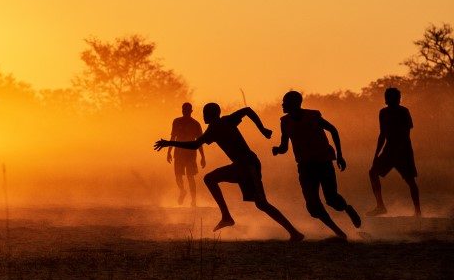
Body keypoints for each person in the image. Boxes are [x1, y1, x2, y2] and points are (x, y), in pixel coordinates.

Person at [155, 103, 304, 241]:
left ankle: (293, 232)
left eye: (205, 113)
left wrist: (169, 143)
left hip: (248, 164)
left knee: (261, 203)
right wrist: (262, 129)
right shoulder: (223, 123)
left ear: (212, 114)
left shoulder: (219, 125)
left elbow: (195, 144)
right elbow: (247, 110)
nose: (203, 115)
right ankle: (227, 217)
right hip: (242, 165)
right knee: (213, 180)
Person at [272, 91, 361, 239]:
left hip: (323, 162)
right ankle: (339, 233)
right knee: (313, 206)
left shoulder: (313, 116)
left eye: (285, 102)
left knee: (332, 199)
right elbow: (284, 146)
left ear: (295, 103)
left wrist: (339, 155)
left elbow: (333, 130)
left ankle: (347, 208)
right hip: (305, 166)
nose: (282, 104)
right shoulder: (285, 122)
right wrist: (278, 150)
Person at [367, 87, 420, 217]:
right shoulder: (383, 112)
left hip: (403, 151)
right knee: (373, 172)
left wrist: (399, 151)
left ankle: (417, 211)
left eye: (395, 97)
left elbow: (406, 133)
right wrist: (376, 155)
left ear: (398, 98)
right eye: (390, 97)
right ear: (387, 99)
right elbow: (382, 134)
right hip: (389, 150)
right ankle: (380, 206)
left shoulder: (404, 111)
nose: (393, 100)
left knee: (410, 180)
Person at [166, 103, 206, 206]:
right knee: (178, 175)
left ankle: (193, 200)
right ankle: (183, 190)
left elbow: (199, 142)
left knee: (190, 177)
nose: (185, 111)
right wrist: (169, 152)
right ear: (182, 110)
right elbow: (173, 137)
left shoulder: (196, 124)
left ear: (191, 111)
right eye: (184, 109)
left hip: (190, 154)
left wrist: (203, 157)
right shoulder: (176, 121)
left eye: (187, 110)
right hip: (179, 153)